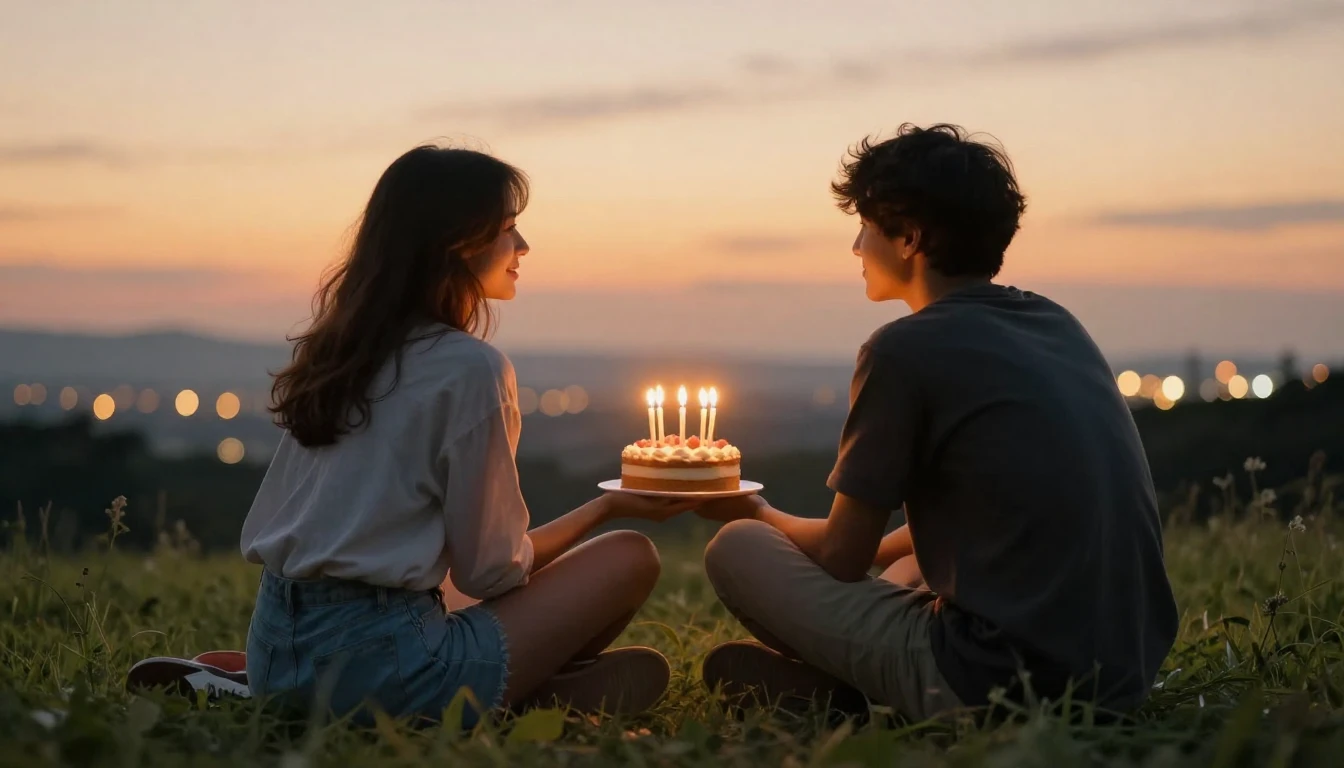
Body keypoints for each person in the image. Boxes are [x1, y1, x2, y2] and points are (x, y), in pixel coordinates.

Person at [695, 124, 1178, 721]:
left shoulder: (902, 351)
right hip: (1121, 673)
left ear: (909, 239)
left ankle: (863, 702)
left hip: (1005, 685)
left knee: (739, 549)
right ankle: (845, 694)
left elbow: (845, 555)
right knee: (904, 566)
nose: (855, 247)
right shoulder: (1056, 323)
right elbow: (989, 517)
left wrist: (753, 510)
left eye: (865, 227)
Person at [238, 145, 695, 727]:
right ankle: (518, 701)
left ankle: (260, 688)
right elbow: (490, 572)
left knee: (449, 597)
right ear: (459, 243)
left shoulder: (340, 353)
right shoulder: (470, 369)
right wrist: (605, 508)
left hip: (275, 648)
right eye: (509, 230)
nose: (523, 247)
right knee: (630, 557)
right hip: (384, 668)